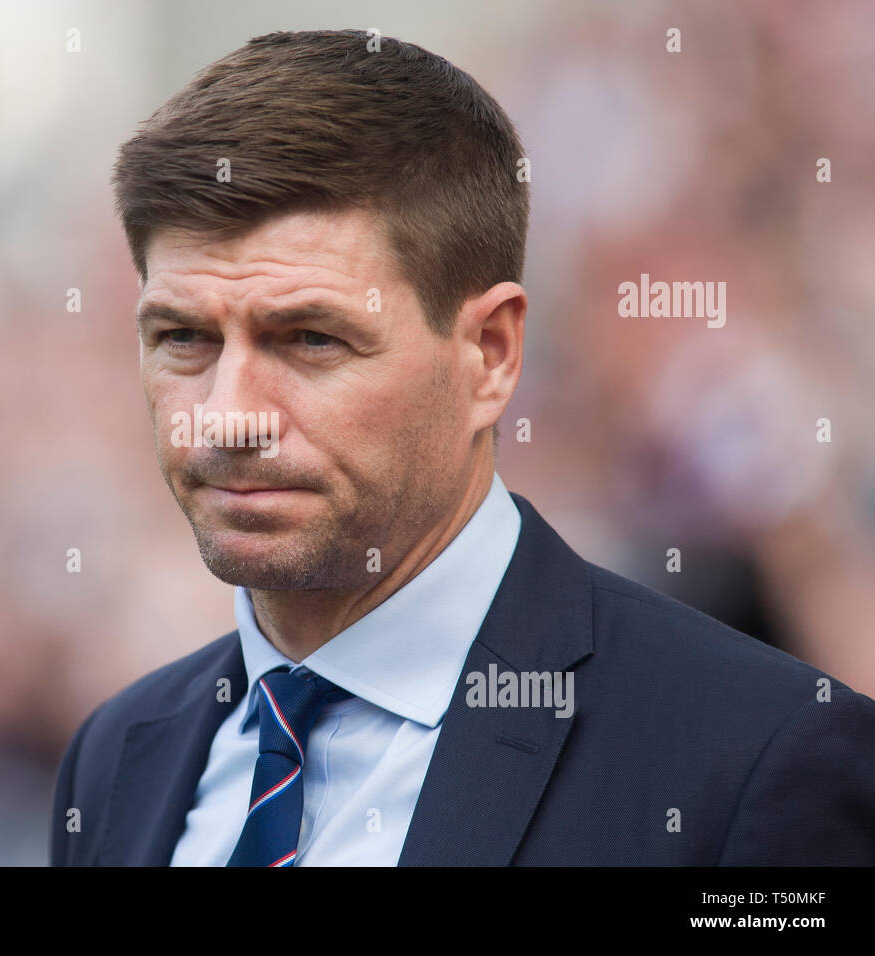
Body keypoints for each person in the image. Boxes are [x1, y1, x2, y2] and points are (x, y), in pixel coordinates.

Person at [49, 29, 875, 866]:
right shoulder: (117, 759)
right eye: (183, 337)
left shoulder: (754, 761)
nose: (228, 418)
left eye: (310, 340)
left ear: (491, 355)